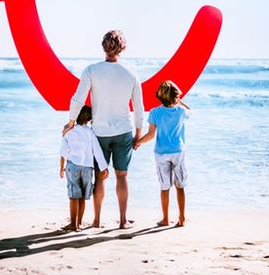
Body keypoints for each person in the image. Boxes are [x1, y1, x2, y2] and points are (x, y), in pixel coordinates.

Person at [67, 30, 147, 229]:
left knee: (100, 175)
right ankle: (123, 221)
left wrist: (71, 122)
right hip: (123, 131)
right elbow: (139, 108)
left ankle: (96, 221)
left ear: (103, 46)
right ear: (122, 48)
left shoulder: (91, 70)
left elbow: (78, 99)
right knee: (122, 176)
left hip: (99, 132)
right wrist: (138, 133)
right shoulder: (131, 74)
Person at [134, 80, 191, 227]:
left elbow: (151, 135)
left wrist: (138, 142)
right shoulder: (181, 111)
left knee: (164, 187)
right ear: (176, 96)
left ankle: (165, 219)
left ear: (160, 96)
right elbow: (190, 110)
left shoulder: (155, 112)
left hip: (161, 153)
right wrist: (180, 101)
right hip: (178, 151)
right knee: (180, 186)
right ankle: (182, 218)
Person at [58, 105, 110, 231]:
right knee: (82, 197)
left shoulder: (69, 131)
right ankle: (79, 223)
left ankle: (73, 224)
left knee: (73, 196)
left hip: (73, 166)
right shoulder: (91, 132)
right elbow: (97, 151)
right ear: (90, 118)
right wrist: (104, 167)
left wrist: (61, 167)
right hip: (87, 168)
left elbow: (63, 152)